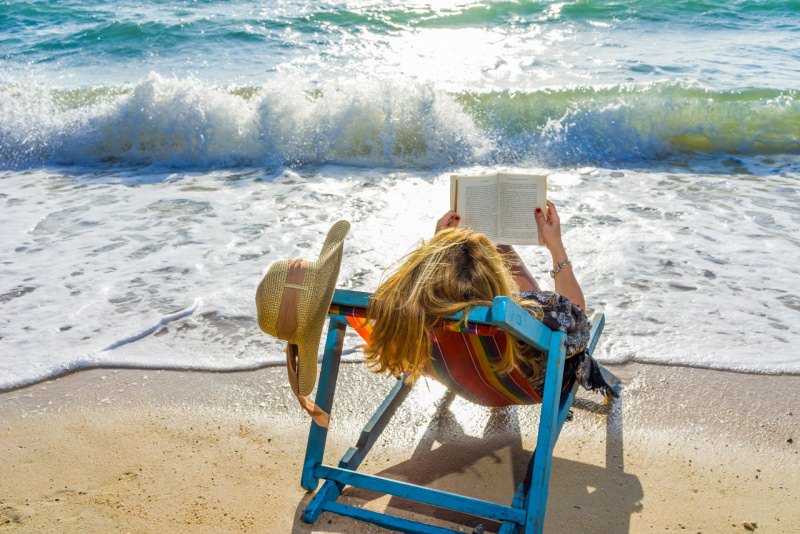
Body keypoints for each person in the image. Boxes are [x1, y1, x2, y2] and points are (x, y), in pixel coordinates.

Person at [364, 201, 615, 397]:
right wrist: (555, 245)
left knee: (495, 248)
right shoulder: (531, 312)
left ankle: (469, 252)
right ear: (494, 280)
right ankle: (494, 247)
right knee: (500, 249)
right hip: (523, 377)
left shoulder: (403, 313)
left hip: (459, 376)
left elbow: (427, 283)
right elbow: (577, 316)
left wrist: (439, 246)